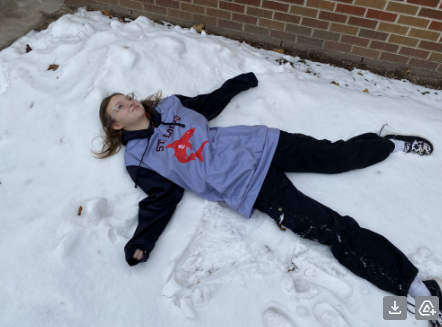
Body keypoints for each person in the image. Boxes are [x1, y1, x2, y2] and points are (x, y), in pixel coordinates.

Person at [94, 72, 441, 325]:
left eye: (127, 96)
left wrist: (237, 84)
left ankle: (387, 143)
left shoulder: (171, 105)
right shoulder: (139, 160)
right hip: (248, 185)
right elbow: (162, 198)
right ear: (117, 127)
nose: (130, 102)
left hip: (260, 144)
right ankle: (416, 289)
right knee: (331, 229)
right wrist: (143, 241)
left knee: (333, 156)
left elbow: (206, 105)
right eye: (120, 107)